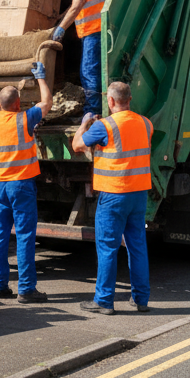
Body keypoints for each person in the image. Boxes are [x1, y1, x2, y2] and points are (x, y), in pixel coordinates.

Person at [71, 81, 152, 315]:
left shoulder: (104, 126)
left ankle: (104, 300)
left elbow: (77, 145)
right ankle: (141, 299)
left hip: (114, 194)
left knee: (107, 248)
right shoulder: (146, 124)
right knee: (137, 246)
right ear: (130, 99)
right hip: (138, 195)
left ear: (111, 101)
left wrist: (85, 124)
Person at [0, 63, 53, 303]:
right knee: (24, 236)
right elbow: (47, 103)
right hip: (21, 185)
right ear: (18, 103)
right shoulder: (25, 118)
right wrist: (41, 78)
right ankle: (26, 289)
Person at [52, 0, 105, 115]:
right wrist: (60, 17)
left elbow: (76, 8)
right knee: (91, 72)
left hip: (94, 33)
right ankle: (95, 108)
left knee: (89, 73)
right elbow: (76, 4)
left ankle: (93, 111)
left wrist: (62, 28)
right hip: (94, 33)